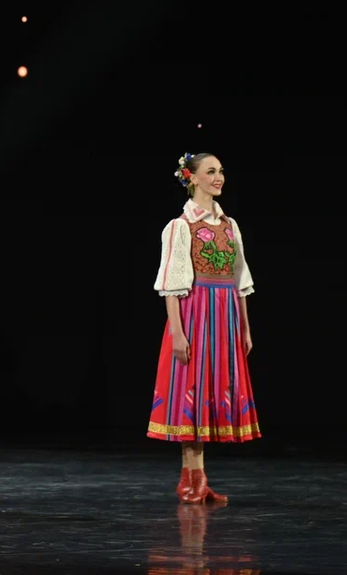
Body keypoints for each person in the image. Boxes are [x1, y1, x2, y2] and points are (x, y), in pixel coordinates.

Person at [149, 152, 259, 504]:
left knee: (212, 393)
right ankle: (192, 478)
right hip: (195, 314)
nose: (218, 177)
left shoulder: (229, 225)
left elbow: (241, 281)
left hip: (225, 315)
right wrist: (178, 333)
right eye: (211, 171)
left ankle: (195, 480)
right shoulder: (181, 226)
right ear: (192, 178)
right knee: (192, 392)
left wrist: (245, 329)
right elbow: (171, 286)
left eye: (220, 171)